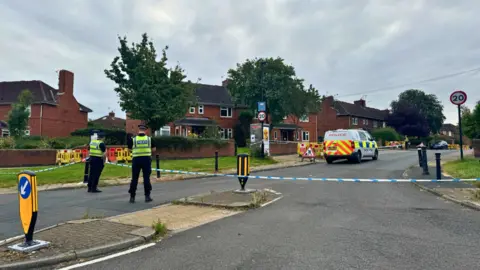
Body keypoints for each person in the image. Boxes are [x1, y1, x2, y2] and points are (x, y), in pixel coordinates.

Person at [127, 124, 156, 203]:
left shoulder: (133, 139)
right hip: (146, 159)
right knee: (146, 178)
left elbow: (129, 150)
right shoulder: (149, 139)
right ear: (145, 130)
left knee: (134, 179)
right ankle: (147, 196)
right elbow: (154, 149)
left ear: (138, 130)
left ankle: (132, 197)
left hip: (136, 160)